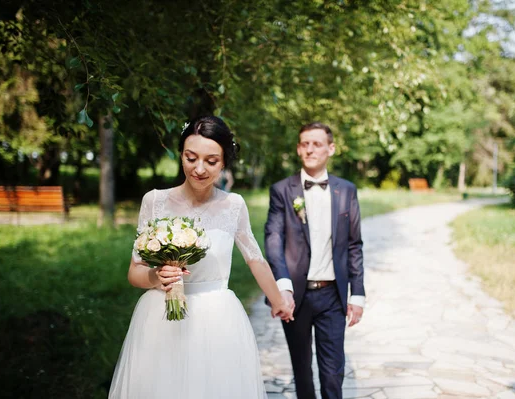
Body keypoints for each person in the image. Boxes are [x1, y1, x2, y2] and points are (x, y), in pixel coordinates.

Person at [109, 116, 294, 399]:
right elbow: (135, 272)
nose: (199, 169)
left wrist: (279, 302)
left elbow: (255, 259)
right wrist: (156, 277)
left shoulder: (233, 205)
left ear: (223, 163)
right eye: (191, 157)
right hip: (160, 321)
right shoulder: (154, 201)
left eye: (211, 161)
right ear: (181, 155)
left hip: (217, 322)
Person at [264, 122, 365, 399]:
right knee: (302, 369)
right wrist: (282, 285)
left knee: (332, 371)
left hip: (333, 295)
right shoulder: (282, 190)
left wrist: (357, 294)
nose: (310, 149)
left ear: (330, 148)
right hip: (294, 295)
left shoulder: (346, 190)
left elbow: (354, 244)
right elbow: (273, 238)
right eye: (304, 144)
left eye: (316, 144)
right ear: (298, 149)